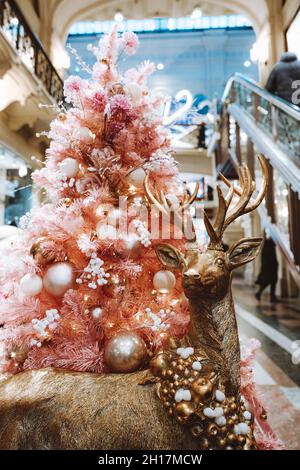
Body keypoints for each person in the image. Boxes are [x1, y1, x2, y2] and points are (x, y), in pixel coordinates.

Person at [255, 237, 279, 303]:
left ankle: (269, 296)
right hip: (270, 269)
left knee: (269, 282)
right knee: (271, 282)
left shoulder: (266, 248)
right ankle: (271, 297)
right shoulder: (269, 249)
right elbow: (271, 259)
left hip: (268, 269)